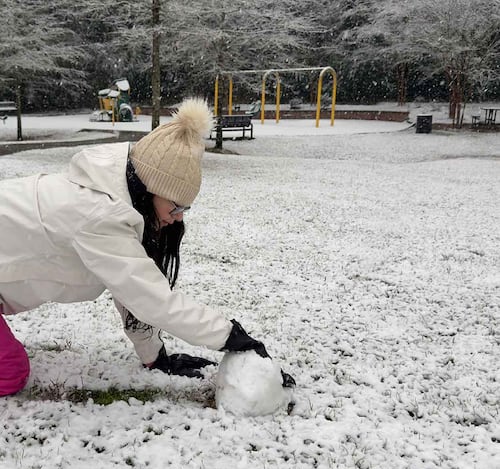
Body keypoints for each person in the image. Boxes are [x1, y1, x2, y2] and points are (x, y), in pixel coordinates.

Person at [0, 98, 295, 397]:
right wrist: (232, 337)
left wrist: (155, 357)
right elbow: (153, 299)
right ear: (151, 188)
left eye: (186, 208)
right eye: (176, 205)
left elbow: (130, 290)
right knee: (10, 372)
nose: (177, 216)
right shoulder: (97, 214)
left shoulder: (116, 199)